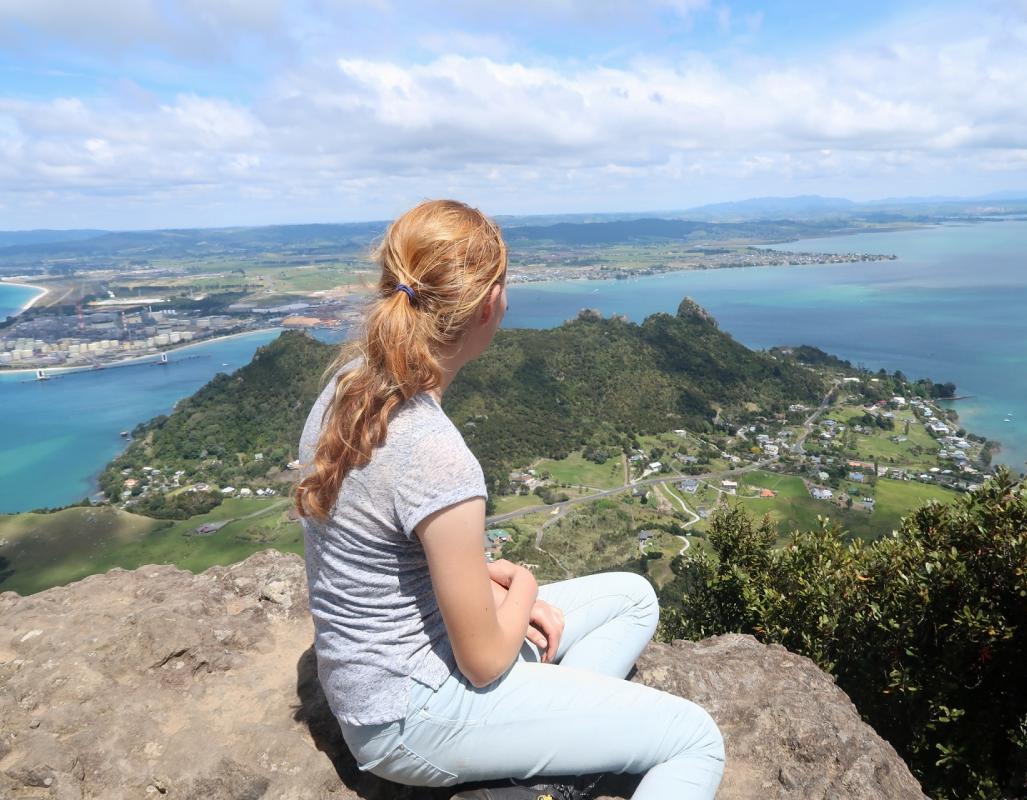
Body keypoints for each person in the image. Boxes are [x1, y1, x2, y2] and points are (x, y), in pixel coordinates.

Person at [294, 199, 725, 800]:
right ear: (490, 304)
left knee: (633, 598)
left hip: (375, 685)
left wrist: (490, 585)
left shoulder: (348, 387)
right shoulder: (436, 454)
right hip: (409, 718)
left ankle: (541, 760)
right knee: (696, 739)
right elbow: (485, 663)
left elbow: (382, 553)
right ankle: (541, 747)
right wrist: (520, 586)